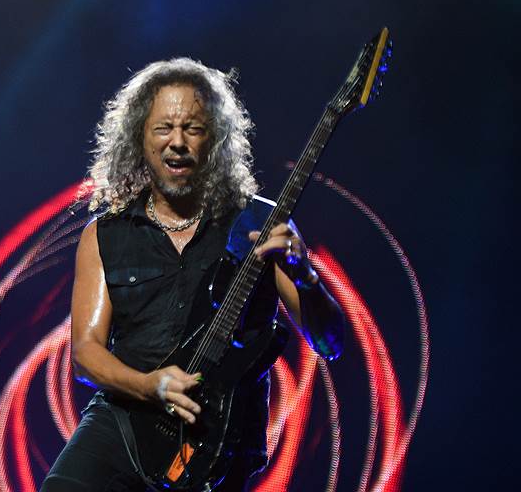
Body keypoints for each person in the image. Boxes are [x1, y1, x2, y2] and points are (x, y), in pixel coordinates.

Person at [41, 58, 344, 491]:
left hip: (218, 435)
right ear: (139, 138)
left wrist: (306, 278)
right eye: (163, 128)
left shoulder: (260, 224)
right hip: (124, 421)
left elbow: (330, 344)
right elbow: (85, 354)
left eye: (193, 129)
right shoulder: (105, 234)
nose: (178, 142)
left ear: (215, 139)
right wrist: (148, 385)